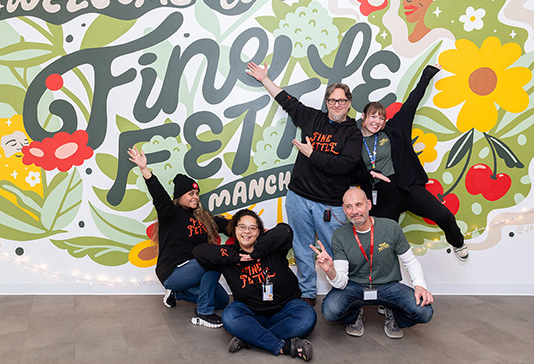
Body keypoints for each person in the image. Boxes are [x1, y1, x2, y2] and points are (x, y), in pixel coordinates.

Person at [246, 61, 363, 306]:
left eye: (342, 101)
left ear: (349, 103)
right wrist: (264, 79)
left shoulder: (353, 133)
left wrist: (312, 154)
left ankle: (341, 293)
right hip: (298, 197)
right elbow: (287, 101)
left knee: (334, 251)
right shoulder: (312, 118)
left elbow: (344, 166)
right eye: (332, 100)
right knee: (301, 247)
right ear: (327, 102)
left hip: (331, 204)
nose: (337, 105)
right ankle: (307, 293)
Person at [355, 64, 468, 261]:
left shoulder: (394, 129)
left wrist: (427, 74)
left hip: (405, 187)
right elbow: (349, 172)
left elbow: (412, 102)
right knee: (381, 246)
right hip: (380, 199)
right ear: (363, 117)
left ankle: (458, 242)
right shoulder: (353, 141)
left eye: (381, 118)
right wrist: (369, 174)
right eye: (373, 116)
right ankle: (383, 285)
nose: (377, 121)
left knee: (445, 216)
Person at [193, 209, 316, 360]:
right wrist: (234, 256)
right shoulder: (229, 255)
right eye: (242, 227)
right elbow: (199, 251)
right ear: (234, 230)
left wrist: (255, 253)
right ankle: (282, 346)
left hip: (285, 308)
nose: (247, 231)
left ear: (259, 232)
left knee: (307, 317)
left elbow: (285, 230)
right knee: (230, 317)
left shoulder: (272, 247)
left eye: (252, 228)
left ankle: (250, 338)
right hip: (251, 312)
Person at [128, 147, 230, 328]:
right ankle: (203, 314)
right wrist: (145, 170)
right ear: (180, 196)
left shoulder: (203, 217)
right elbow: (159, 196)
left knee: (221, 301)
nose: (195, 197)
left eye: (197, 194)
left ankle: (177, 294)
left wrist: (255, 229)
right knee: (214, 258)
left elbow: (227, 226)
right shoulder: (171, 214)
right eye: (191, 194)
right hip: (173, 271)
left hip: (193, 271)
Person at [313, 188, 433, 339]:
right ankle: (355, 314)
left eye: (358, 205)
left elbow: (410, 261)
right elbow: (341, 283)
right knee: (330, 311)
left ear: (368, 205)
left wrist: (420, 285)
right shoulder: (340, 235)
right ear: (344, 209)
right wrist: (330, 270)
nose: (354, 211)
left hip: (388, 286)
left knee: (425, 312)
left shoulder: (391, 227)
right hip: (355, 286)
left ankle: (395, 316)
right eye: (349, 207)